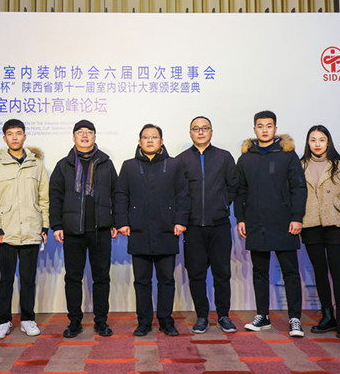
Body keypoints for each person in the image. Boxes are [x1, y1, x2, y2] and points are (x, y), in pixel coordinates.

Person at [235, 110, 307, 338]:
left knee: (290, 273)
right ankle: (262, 315)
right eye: (260, 126)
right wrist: (240, 218)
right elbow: (240, 191)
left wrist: (297, 217)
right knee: (260, 272)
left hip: (285, 222)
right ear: (254, 129)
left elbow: (299, 188)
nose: (264, 130)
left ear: (275, 128)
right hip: (256, 223)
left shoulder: (288, 155)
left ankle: (295, 319)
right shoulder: (245, 159)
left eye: (269, 125)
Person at [115, 124, 190, 337]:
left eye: (154, 137)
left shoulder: (173, 165)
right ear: (139, 142)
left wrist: (180, 221)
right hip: (139, 231)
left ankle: (166, 320)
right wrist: (122, 222)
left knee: (166, 279)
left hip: (167, 230)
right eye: (146, 137)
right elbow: (121, 196)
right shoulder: (129, 166)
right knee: (142, 281)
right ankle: (144, 322)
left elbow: (183, 195)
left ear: (161, 141)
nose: (150, 140)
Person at [0, 119, 50, 339]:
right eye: (10, 134)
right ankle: (3, 321)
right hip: (5, 232)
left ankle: (28, 319)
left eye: (18, 133)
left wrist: (44, 226)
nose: (15, 137)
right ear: (4, 138)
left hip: (31, 230)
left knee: (28, 279)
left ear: (24, 136)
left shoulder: (36, 164)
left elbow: (44, 198)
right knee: (6, 280)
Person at [50, 120, 118, 338]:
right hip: (72, 231)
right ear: (74, 137)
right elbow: (55, 197)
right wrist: (56, 225)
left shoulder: (106, 163)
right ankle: (74, 322)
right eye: (80, 132)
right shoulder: (63, 165)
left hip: (101, 230)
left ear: (95, 136)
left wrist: (115, 222)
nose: (85, 136)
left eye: (89, 132)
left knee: (102, 278)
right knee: (73, 278)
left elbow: (116, 195)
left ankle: (101, 321)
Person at [176, 116, 238, 334]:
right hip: (193, 227)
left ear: (211, 131)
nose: (200, 132)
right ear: (190, 133)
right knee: (196, 274)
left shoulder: (224, 157)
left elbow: (233, 186)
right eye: (196, 129)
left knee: (222, 273)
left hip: (219, 225)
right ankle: (202, 316)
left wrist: (222, 204)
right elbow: (178, 192)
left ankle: (223, 316)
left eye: (205, 128)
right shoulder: (181, 160)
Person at [300, 125, 340, 339]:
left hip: (335, 226)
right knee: (319, 272)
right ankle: (327, 316)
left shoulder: (339, 166)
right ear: (308, 143)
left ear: (328, 142)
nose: (317, 144)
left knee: (337, 272)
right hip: (310, 226)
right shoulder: (300, 166)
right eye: (313, 140)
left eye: (322, 140)